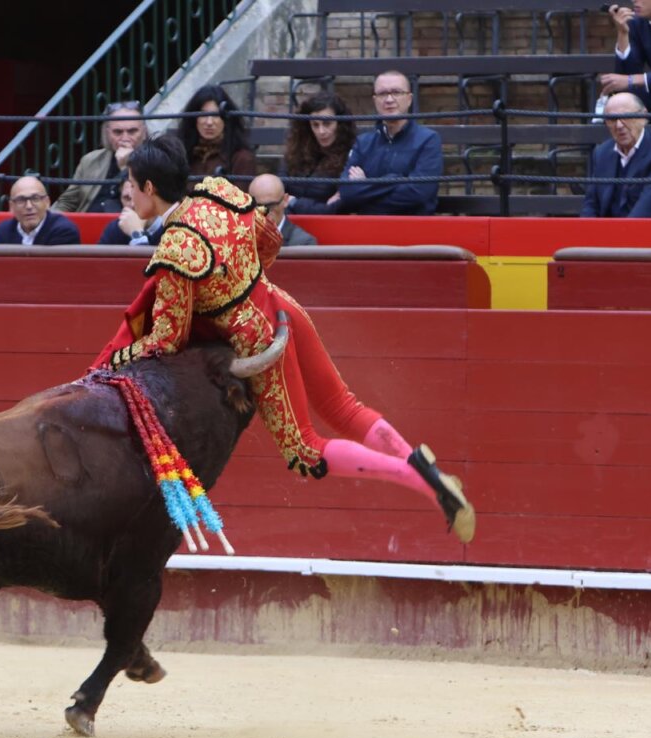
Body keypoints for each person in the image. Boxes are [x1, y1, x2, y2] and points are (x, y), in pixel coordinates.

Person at [93, 135, 475, 543]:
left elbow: (167, 340)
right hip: (278, 304)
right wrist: (246, 285)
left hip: (260, 341)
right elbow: (269, 238)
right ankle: (419, 462)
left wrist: (116, 359)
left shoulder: (176, 247)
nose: (129, 193)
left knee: (305, 452)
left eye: (131, 184)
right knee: (344, 406)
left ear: (149, 187)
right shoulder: (218, 192)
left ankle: (423, 483)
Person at [335, 71, 442, 216]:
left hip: (414, 229)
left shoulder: (428, 140)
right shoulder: (363, 142)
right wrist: (394, 180)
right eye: (382, 94)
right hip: (369, 230)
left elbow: (419, 194)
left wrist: (365, 188)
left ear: (409, 99)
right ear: (375, 100)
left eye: (397, 92)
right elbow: (347, 192)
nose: (389, 99)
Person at [582, 92, 651, 218]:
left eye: (626, 116)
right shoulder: (602, 152)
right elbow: (591, 205)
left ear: (643, 116)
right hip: (604, 232)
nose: (619, 125)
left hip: (643, 233)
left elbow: (648, 209)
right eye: (612, 119)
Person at [52, 102, 147, 214]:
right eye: (117, 132)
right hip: (87, 222)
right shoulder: (90, 160)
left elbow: (149, 206)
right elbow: (67, 201)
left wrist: (126, 168)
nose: (125, 138)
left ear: (143, 131)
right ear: (107, 133)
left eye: (132, 131)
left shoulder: (158, 160)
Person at [281, 92, 355, 215]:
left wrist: (294, 202)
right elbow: (277, 193)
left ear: (340, 124)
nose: (321, 131)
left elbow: (334, 209)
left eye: (327, 124)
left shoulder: (352, 154)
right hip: (290, 225)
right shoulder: (295, 150)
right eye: (315, 125)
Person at [177, 83, 256, 190]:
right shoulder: (182, 153)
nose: (209, 122)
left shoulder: (242, 158)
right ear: (194, 119)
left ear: (226, 120)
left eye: (216, 115)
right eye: (203, 115)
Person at [0, 176, 81, 246]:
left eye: (35, 198)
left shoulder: (64, 230)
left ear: (47, 203)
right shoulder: (4, 230)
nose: (29, 206)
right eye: (21, 200)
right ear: (11, 207)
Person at [248, 174, 317, 247]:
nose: (265, 212)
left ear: (285, 200)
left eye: (271, 205)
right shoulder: (240, 238)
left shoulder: (303, 242)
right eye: (258, 207)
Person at [97, 173, 163, 246]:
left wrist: (136, 234)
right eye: (127, 198)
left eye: (139, 197)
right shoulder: (115, 228)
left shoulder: (171, 229)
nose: (132, 204)